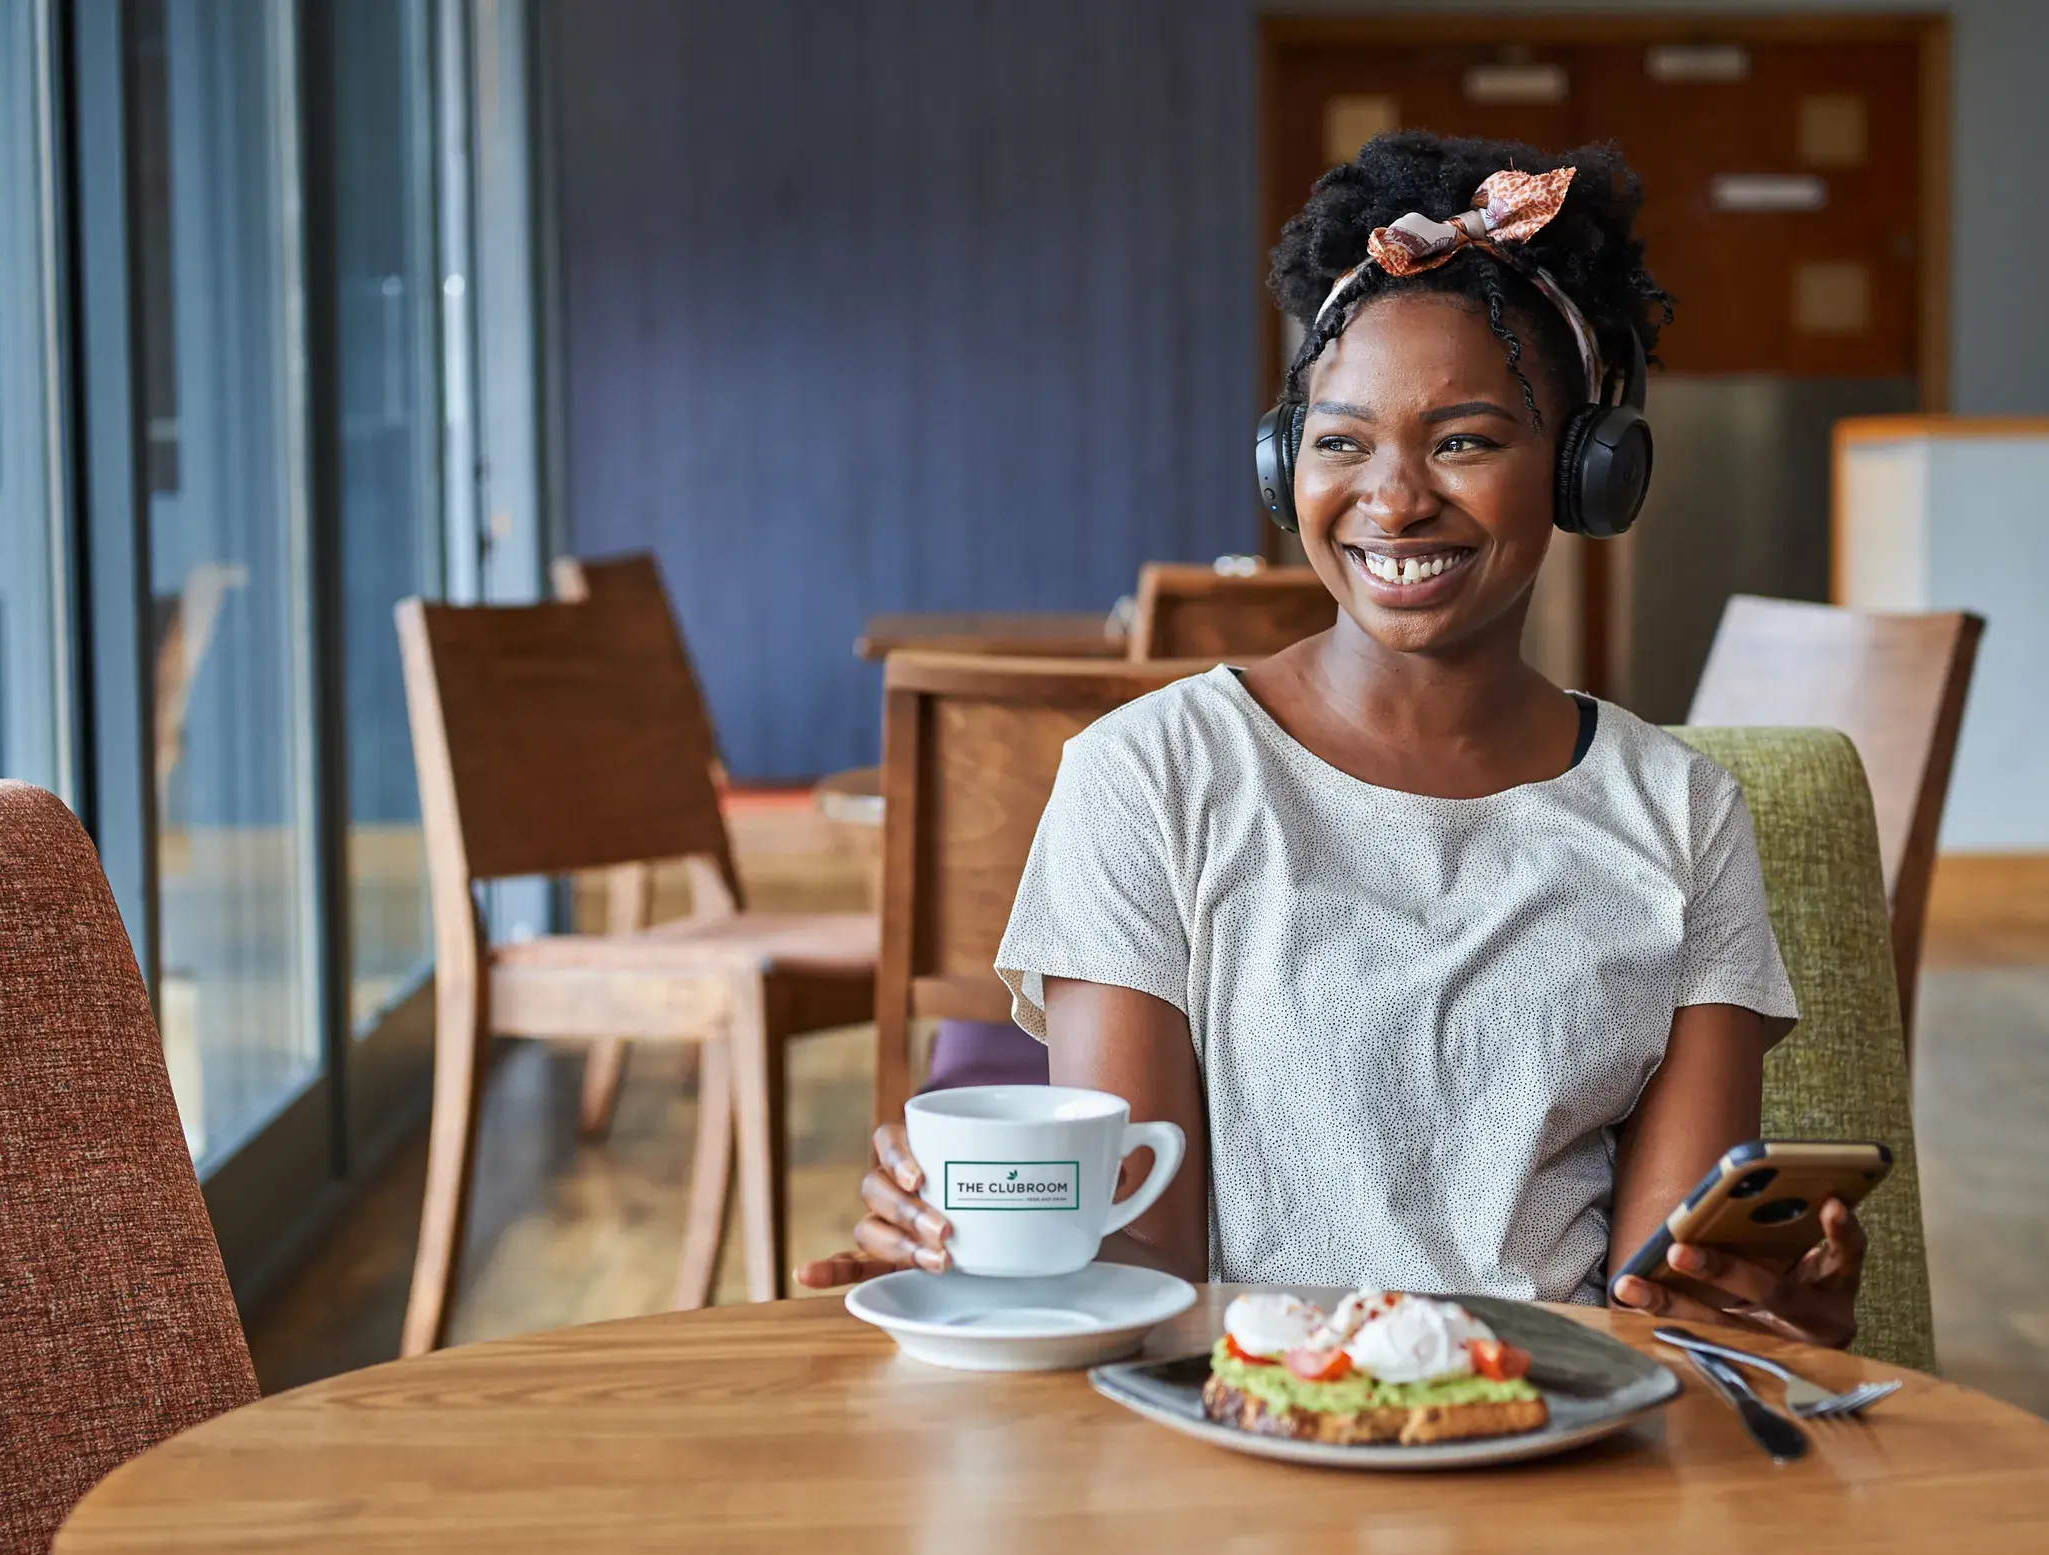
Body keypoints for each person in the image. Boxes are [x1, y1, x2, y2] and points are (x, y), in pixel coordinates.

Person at [799, 131, 1866, 1348]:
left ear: (1586, 473)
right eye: (1341, 439)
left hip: (1558, 1441)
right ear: (1281, 463)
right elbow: (1134, 1254)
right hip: (1233, 1434)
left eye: (1463, 439)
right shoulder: (1150, 776)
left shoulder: (1682, 813)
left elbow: (1658, 1303)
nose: (1393, 498)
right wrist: (960, 1245)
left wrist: (1766, 1303)